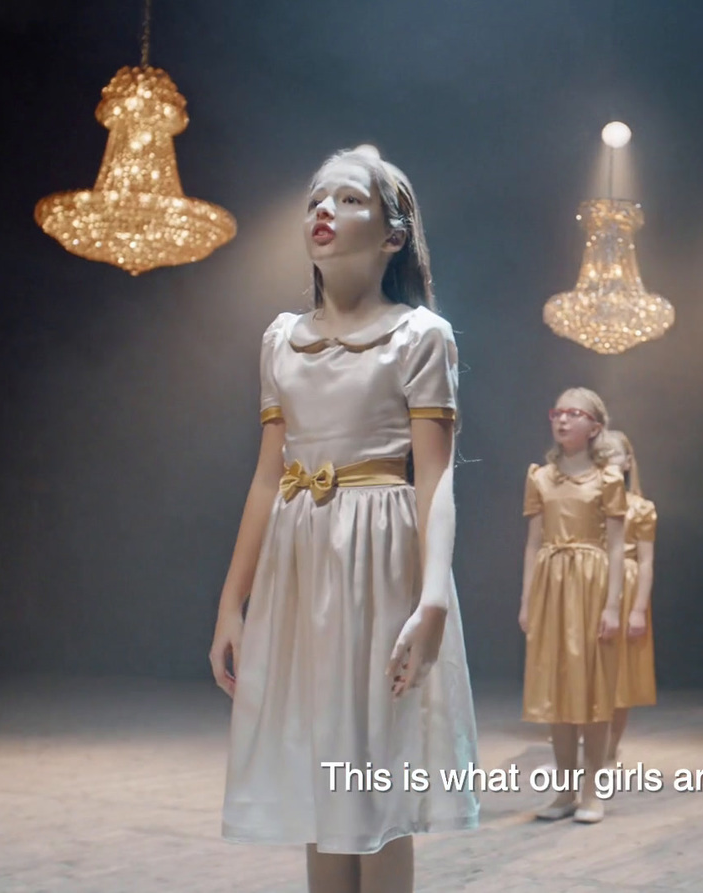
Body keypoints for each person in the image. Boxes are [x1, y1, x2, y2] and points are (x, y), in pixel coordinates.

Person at [212, 146, 478, 893]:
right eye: (314, 199)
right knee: (323, 777)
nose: (323, 210)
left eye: (349, 199)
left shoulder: (422, 335)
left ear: (394, 234)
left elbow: (435, 477)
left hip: (381, 559)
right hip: (303, 565)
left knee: (374, 774)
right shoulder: (281, 341)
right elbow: (267, 478)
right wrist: (233, 602)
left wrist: (431, 597)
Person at [521, 387, 627, 824]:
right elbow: (531, 545)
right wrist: (527, 600)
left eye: (574, 414)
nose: (562, 420)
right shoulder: (540, 477)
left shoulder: (609, 479)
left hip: (590, 580)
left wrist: (613, 605)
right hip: (552, 582)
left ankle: (592, 791)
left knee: (592, 689)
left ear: (595, 427)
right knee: (556, 689)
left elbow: (619, 547)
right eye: (557, 412)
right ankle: (564, 790)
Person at [602, 430, 658, 762]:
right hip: (593, 581)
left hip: (626, 583)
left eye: (614, 455)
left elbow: (647, 561)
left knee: (620, 673)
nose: (608, 462)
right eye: (602, 455)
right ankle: (585, 737)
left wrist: (638, 609)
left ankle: (609, 747)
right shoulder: (589, 502)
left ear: (628, 461)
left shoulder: (641, 508)